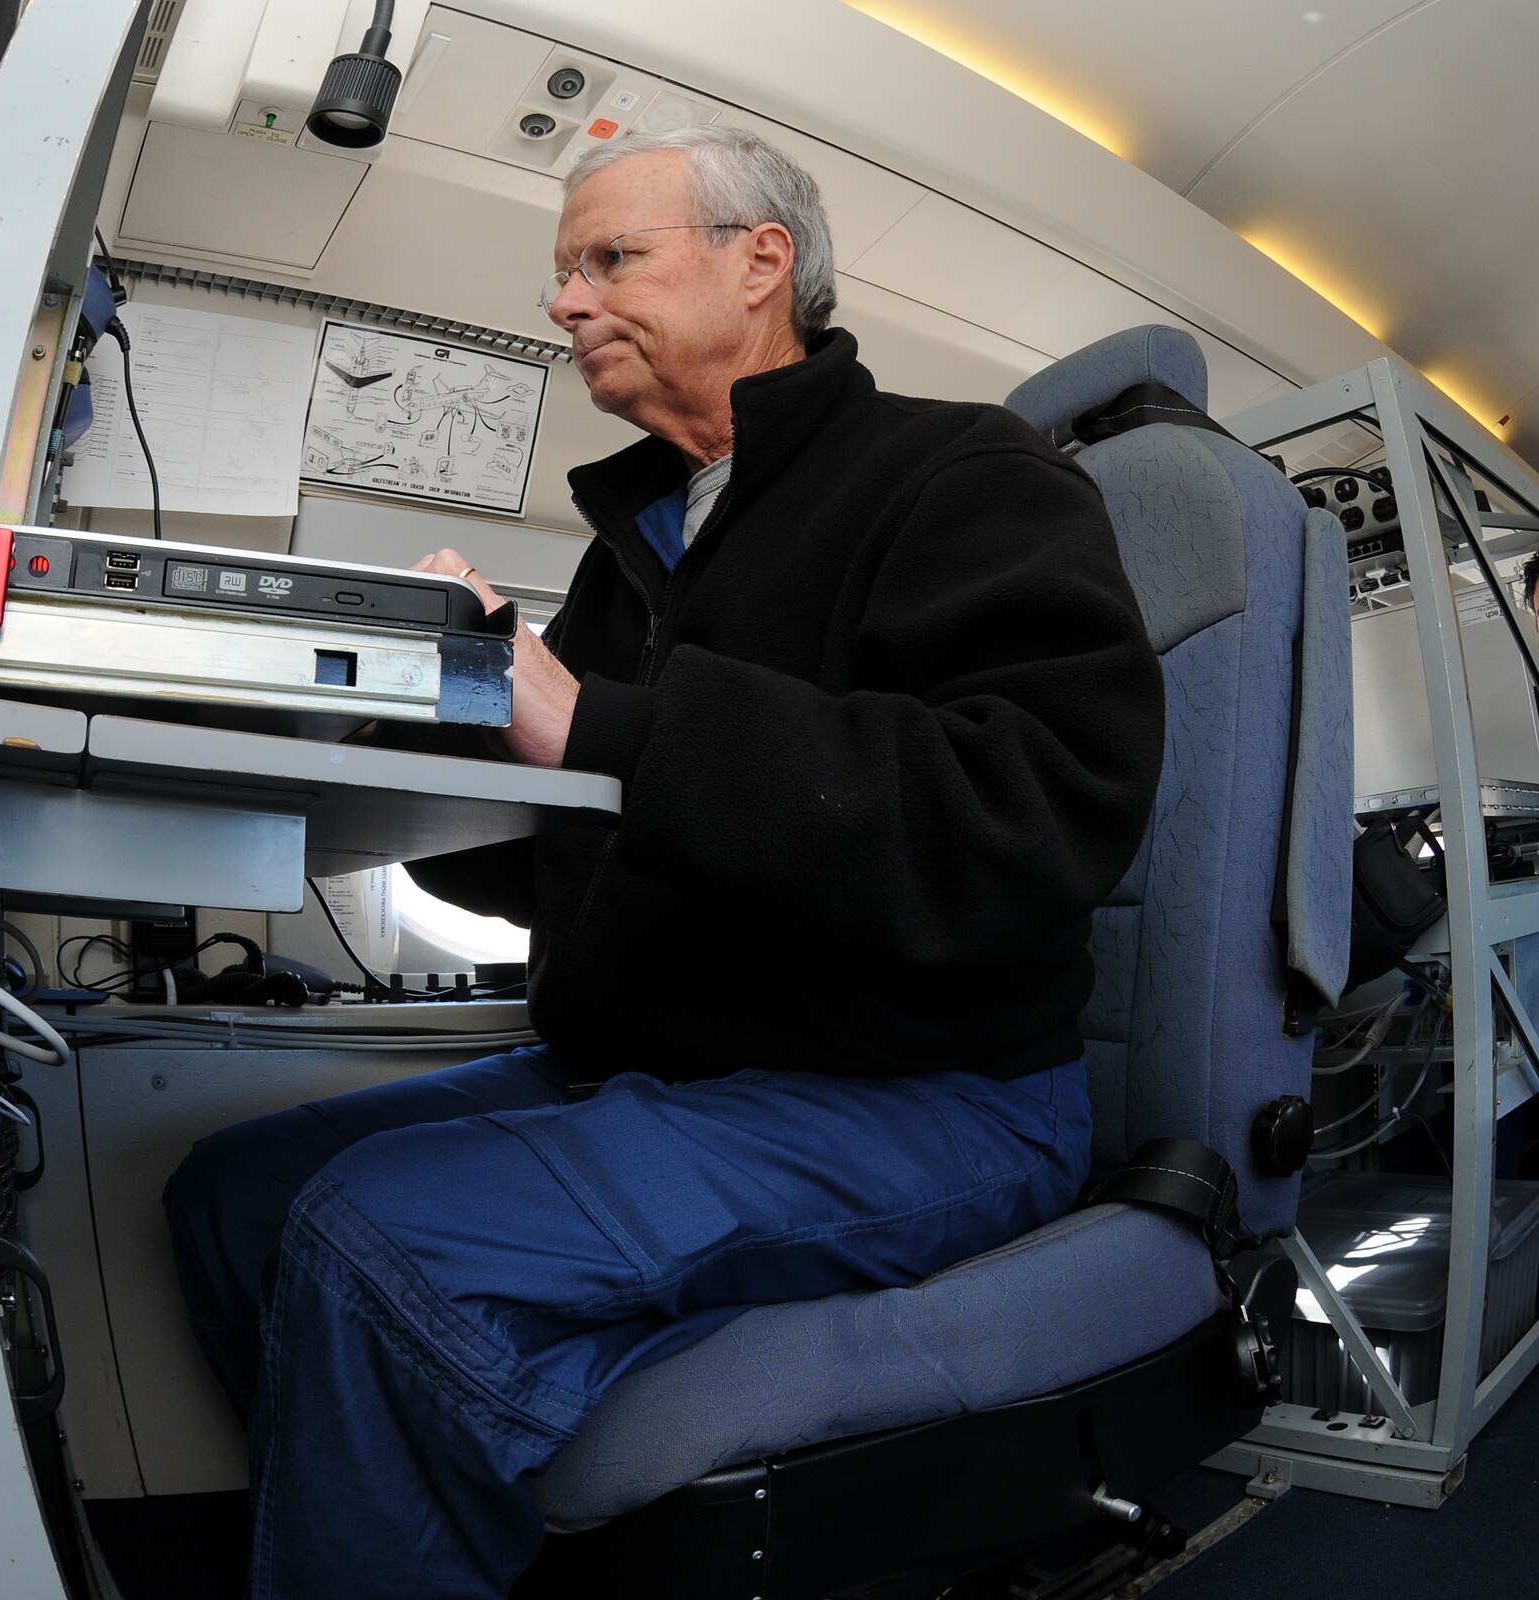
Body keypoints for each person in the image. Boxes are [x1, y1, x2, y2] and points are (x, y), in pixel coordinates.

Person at [164, 125, 1165, 1600]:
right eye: (564, 273)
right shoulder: (635, 542)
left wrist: (589, 721)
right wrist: (412, 760)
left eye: (608, 259)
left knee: (378, 1242)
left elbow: (1029, 814)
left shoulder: (964, 471)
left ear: (763, 263)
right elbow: (578, 837)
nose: (566, 302)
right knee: (231, 1196)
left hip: (915, 1094)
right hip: (665, 1066)